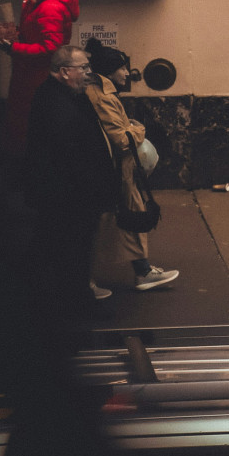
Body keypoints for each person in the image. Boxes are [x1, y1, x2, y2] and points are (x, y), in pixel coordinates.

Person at [22, 43, 120, 314]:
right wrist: (91, 191)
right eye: (84, 68)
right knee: (73, 251)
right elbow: (70, 156)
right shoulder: (57, 104)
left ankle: (39, 296)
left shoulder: (64, 94)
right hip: (68, 196)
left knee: (52, 247)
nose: (89, 72)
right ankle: (78, 306)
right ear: (65, 72)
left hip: (63, 194)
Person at [83, 39, 178, 292]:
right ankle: (87, 279)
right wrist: (138, 129)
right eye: (123, 68)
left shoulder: (103, 92)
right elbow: (121, 139)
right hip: (114, 171)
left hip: (116, 171)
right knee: (110, 224)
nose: (127, 73)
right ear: (110, 70)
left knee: (125, 218)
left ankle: (143, 271)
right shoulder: (102, 95)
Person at [0, 0, 79, 157]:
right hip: (30, 74)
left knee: (28, 129)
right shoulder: (37, 0)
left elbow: (51, 48)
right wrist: (16, 35)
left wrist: (14, 47)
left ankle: (25, 177)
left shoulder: (49, 7)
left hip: (36, 77)